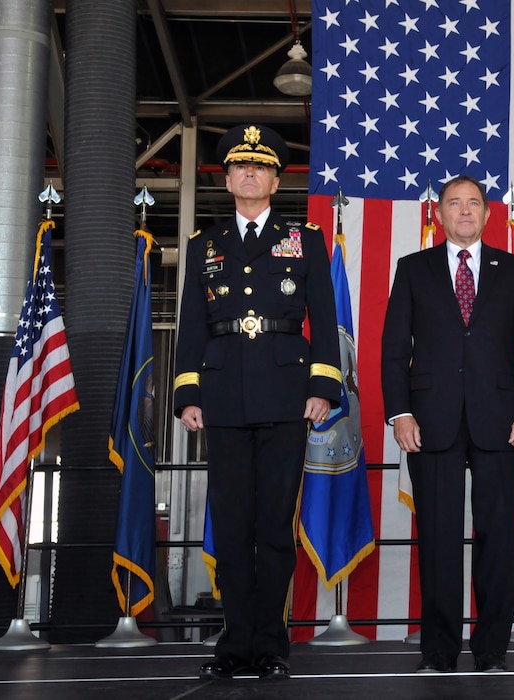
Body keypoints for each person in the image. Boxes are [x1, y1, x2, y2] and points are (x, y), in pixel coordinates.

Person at [173, 123, 342, 681]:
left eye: (261, 167)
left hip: (286, 395)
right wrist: (187, 391)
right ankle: (234, 641)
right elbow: (192, 324)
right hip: (221, 397)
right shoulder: (205, 245)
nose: (250, 174)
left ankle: (270, 644)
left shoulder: (306, 239)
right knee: (233, 524)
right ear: (227, 180)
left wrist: (322, 386)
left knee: (273, 527)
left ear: (275, 180)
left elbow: (325, 319)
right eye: (240, 167)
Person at [381, 175, 514, 673]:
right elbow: (394, 349)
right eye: (454, 203)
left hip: (502, 420)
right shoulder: (413, 269)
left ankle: (492, 648)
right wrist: (400, 411)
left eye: (473, 203)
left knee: (498, 539)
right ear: (439, 214)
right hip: (430, 421)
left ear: (487, 213)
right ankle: (438, 651)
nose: (465, 211)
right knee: (437, 538)